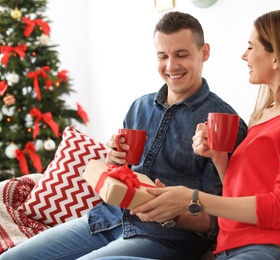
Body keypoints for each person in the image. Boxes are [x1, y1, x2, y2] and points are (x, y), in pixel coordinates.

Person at [0, 11, 247, 260]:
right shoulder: (140, 107)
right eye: (163, 56)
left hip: (165, 237)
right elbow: (120, 176)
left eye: (181, 55)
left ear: (204, 52)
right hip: (106, 219)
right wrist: (114, 161)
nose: (171, 66)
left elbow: (221, 217)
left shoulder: (224, 122)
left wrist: (172, 214)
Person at [129, 10, 280, 260]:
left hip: (276, 248)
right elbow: (243, 193)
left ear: (277, 57)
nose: (244, 56)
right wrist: (219, 158)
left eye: (251, 47)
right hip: (230, 248)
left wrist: (193, 198)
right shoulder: (262, 115)